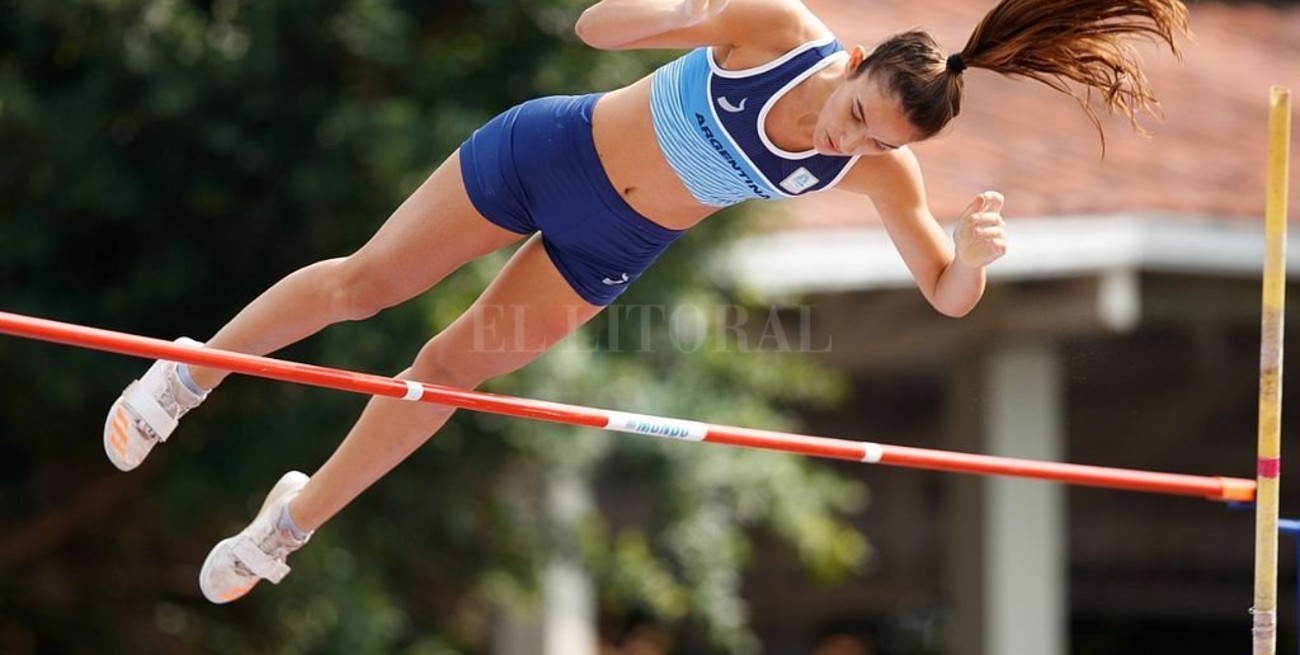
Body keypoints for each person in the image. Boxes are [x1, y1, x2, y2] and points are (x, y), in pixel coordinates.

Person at [102, 0, 1189, 603]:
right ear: (853, 63)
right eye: (856, 113)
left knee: (449, 375)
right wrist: (686, 15)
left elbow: (948, 298)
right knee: (365, 284)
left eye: (873, 140)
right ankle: (186, 373)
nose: (844, 140)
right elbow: (589, 29)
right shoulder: (777, 32)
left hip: (609, 242)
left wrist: (974, 255)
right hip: (546, 151)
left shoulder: (876, 172)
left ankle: (287, 526)